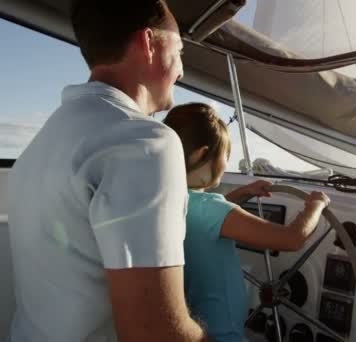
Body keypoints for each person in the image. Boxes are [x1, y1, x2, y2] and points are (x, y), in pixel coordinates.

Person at [7, 1, 209, 341]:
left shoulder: (40, 145)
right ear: (149, 43)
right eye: (180, 51)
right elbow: (154, 334)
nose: (182, 72)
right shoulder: (146, 142)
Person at [163, 103, 330, 342]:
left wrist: (242, 194)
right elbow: (292, 238)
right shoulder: (210, 209)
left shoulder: (172, 202)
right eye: (225, 156)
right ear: (201, 154)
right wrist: (316, 204)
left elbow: (206, 218)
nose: (225, 164)